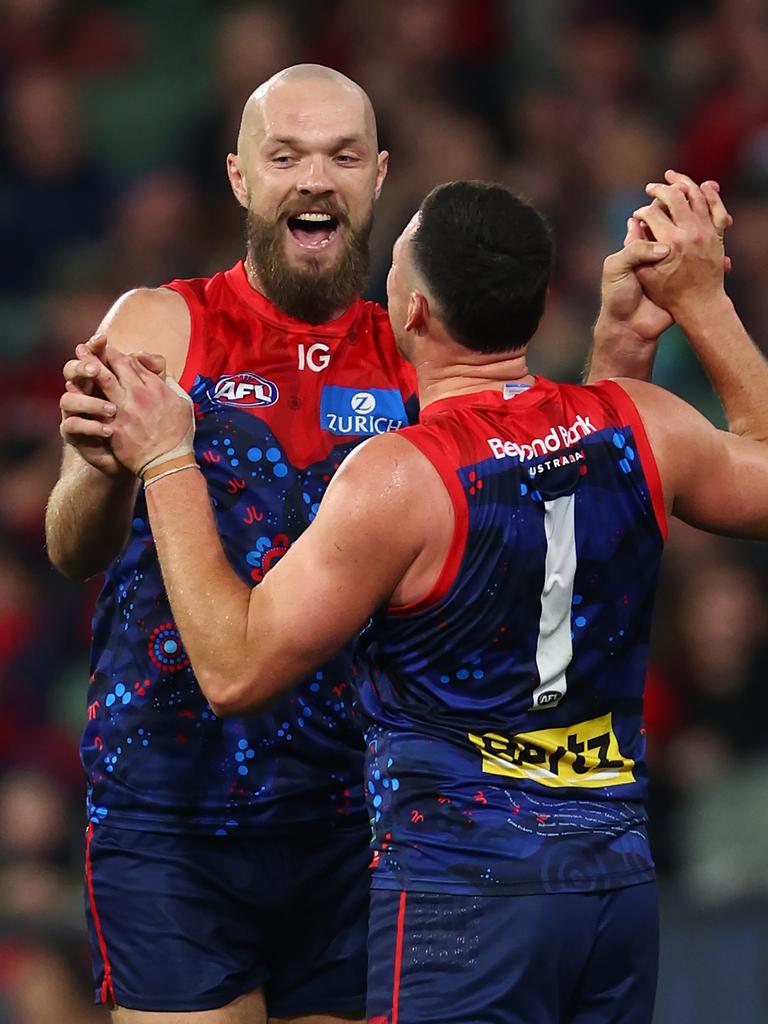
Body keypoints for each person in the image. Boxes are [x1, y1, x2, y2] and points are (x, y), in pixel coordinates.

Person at [68, 170, 764, 1024]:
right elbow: (560, 477)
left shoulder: (400, 476)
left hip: (460, 898)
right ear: (537, 309)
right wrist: (701, 302)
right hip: (612, 887)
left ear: (414, 316)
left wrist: (169, 458)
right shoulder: (641, 419)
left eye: (397, 265)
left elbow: (233, 668)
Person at [45, 64, 412, 1023]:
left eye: (341, 156)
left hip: (357, 824)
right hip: (172, 813)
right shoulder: (160, 325)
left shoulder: (419, 357)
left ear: (378, 176)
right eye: (284, 155)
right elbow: (71, 546)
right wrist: (99, 469)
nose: (315, 179)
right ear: (242, 178)